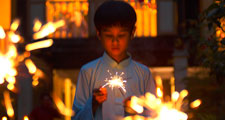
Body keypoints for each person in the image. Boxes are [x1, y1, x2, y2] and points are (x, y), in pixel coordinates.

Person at [72, 1, 156, 120]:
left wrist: (137, 106)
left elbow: (155, 114)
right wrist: (93, 104)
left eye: (121, 35)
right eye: (109, 36)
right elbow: (76, 118)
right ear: (99, 34)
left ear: (132, 33)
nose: (115, 42)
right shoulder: (88, 72)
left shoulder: (143, 74)